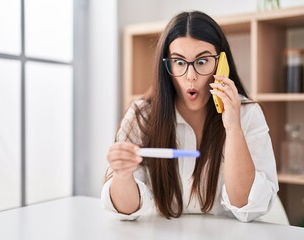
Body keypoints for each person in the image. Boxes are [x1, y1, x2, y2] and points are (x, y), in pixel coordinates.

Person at [101, 10, 278, 222]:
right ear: (166, 65)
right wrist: (122, 175)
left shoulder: (248, 114)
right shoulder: (142, 115)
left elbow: (245, 206)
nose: (190, 76)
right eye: (179, 62)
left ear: (221, 63)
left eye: (202, 62)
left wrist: (233, 129)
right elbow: (126, 211)